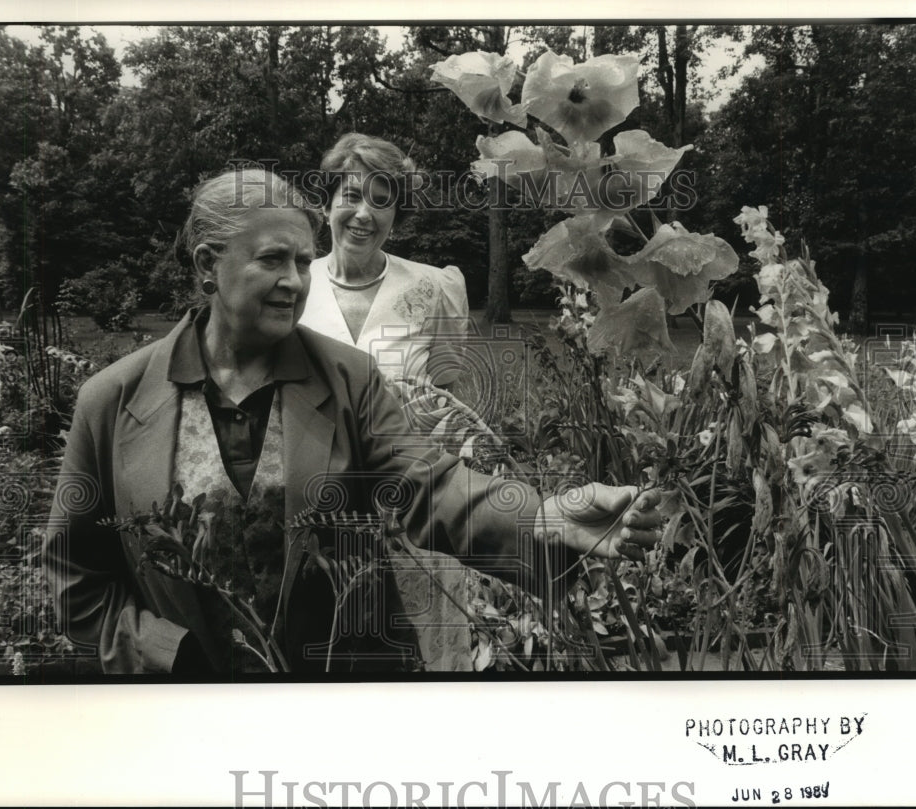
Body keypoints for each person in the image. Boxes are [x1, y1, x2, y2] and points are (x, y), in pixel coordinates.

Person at [45, 167, 662, 675]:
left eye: (304, 262)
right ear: (210, 265)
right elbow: (75, 578)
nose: (295, 281)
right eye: (273, 261)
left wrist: (548, 519)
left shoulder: (347, 378)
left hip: (348, 686)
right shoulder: (113, 401)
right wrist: (165, 654)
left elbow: (434, 486)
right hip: (187, 715)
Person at [301, 133, 469, 388]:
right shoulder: (295, 282)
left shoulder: (437, 288)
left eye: (381, 202)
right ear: (327, 206)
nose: (364, 214)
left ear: (395, 217)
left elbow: (444, 395)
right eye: (353, 196)